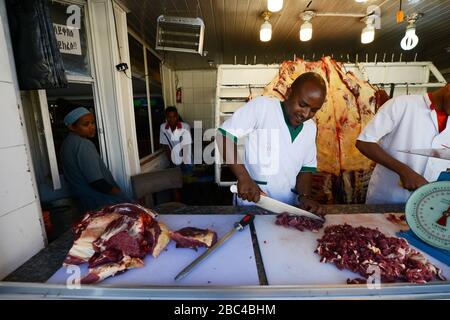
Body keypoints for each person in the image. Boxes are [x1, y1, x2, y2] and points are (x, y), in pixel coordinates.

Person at [217, 72, 327, 214]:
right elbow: (224, 136)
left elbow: (306, 168)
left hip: (289, 209)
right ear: (289, 93)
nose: (306, 114)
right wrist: (244, 177)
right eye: (302, 104)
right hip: (253, 204)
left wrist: (304, 196)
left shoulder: (310, 128)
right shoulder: (262, 108)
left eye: (314, 110)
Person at [356, 84, 450, 204]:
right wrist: (404, 171)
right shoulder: (402, 104)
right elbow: (364, 142)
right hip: (388, 199)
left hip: (428, 206)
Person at [60, 107, 131, 212]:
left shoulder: (66, 144)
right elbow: (97, 182)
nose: (92, 127)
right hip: (100, 202)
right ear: (72, 127)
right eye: (85, 124)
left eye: (92, 123)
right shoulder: (83, 144)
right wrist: (122, 196)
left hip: (84, 202)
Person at [159, 106, 193, 173]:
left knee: (187, 180)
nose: (172, 119)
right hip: (174, 162)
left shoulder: (185, 127)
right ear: (166, 117)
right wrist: (171, 161)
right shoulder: (163, 127)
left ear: (177, 116)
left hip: (187, 162)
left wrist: (183, 162)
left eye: (174, 116)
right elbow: (165, 146)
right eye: (169, 117)